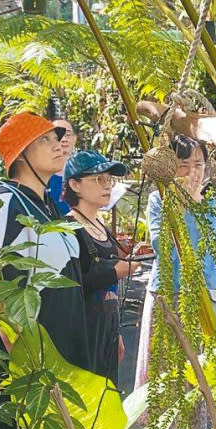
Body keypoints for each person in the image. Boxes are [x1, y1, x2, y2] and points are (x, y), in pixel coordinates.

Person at [0, 112, 93, 429]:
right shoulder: (4, 203)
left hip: (64, 358)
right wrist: (28, 371)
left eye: (56, 138)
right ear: (20, 152)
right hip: (31, 377)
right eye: (45, 139)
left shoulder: (50, 205)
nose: (58, 145)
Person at [135, 134, 216, 389]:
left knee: (205, 374)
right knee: (170, 376)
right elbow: (163, 248)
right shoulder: (158, 200)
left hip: (208, 295)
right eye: (184, 163)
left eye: (198, 164)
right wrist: (183, 207)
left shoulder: (213, 201)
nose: (192, 171)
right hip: (172, 293)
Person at [63, 150, 142, 383]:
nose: (107, 186)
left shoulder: (99, 224)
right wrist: (114, 273)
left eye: (109, 179)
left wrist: (116, 332)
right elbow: (69, 286)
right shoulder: (67, 228)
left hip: (106, 328)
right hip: (82, 333)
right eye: (99, 179)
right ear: (75, 184)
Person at [47, 118, 78, 215]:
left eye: (68, 135)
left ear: (75, 139)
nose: (64, 139)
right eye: (58, 136)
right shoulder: (41, 170)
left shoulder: (83, 169)